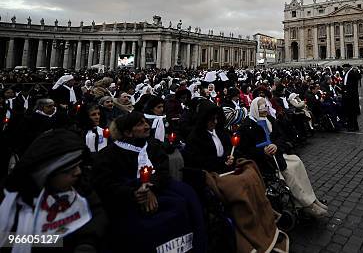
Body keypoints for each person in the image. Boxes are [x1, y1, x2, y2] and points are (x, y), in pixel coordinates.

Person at [92, 111, 206, 253]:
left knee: (183, 203)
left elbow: (163, 172)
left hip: (159, 190)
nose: (147, 126)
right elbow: (105, 184)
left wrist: (150, 187)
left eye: (146, 122)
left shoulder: (153, 146)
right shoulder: (109, 155)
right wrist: (135, 193)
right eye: (140, 124)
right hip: (128, 200)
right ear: (128, 132)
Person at [0, 129, 108, 252]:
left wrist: (86, 243)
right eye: (69, 169)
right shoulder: (13, 206)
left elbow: (96, 216)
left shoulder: (81, 190)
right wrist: (55, 241)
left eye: (78, 165)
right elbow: (6, 240)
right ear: (47, 174)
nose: (78, 172)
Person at [237, 97, 328, 218]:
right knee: (289, 170)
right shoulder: (247, 125)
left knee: (297, 162)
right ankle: (305, 204)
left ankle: (311, 198)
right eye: (262, 108)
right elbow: (245, 149)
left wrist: (276, 145)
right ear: (255, 109)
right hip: (264, 160)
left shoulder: (270, 119)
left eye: (266, 107)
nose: (265, 110)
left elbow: (280, 137)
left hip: (277, 154)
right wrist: (262, 151)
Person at [182, 101, 234, 174]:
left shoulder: (221, 132)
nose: (215, 122)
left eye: (216, 118)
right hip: (209, 176)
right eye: (212, 119)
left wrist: (229, 157)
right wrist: (222, 162)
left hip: (227, 172)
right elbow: (198, 162)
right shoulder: (195, 138)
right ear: (204, 120)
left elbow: (229, 147)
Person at [342, 63, 361, 132]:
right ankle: (353, 126)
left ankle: (352, 127)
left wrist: (356, 70)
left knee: (352, 112)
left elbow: (358, 78)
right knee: (350, 112)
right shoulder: (347, 73)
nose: (344, 69)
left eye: (344, 67)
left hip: (351, 96)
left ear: (348, 68)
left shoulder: (352, 73)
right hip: (348, 95)